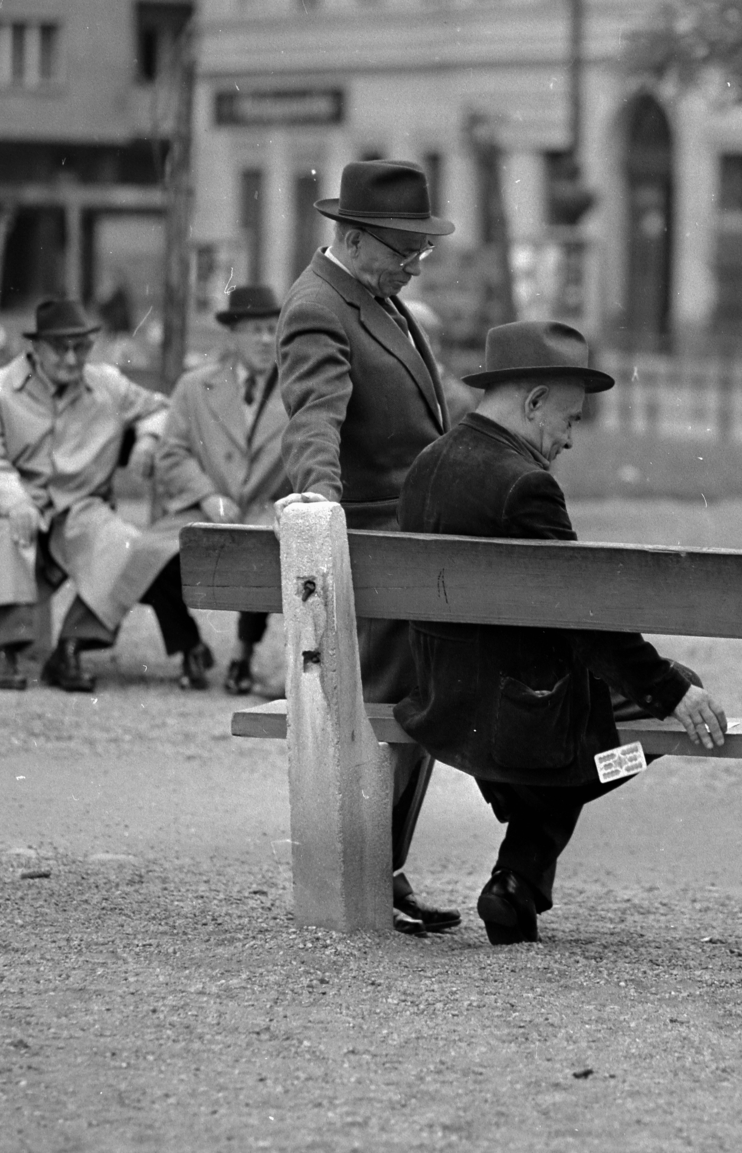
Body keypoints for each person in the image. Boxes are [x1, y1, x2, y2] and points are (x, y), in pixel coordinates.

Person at [396, 320, 731, 945]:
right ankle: (519, 870)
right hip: (520, 720)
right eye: (570, 420)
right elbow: (584, 618)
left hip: (442, 702)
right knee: (659, 716)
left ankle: (522, 867)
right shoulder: (524, 484)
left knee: (609, 719)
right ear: (531, 403)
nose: (570, 440)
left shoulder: (428, 463)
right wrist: (672, 692)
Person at [276, 158, 459, 936]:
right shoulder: (320, 307)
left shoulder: (376, 296)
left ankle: (380, 867)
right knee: (390, 711)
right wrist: (320, 502)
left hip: (413, 540)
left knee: (414, 709)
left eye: (422, 248)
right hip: (375, 546)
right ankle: (365, 871)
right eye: (401, 248)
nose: (415, 263)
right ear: (351, 238)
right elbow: (316, 410)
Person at [0, 297, 206, 693]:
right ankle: (3, 652)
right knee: (11, 533)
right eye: (61, 348)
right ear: (34, 349)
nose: (72, 360)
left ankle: (69, 652)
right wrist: (15, 500)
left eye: (81, 347)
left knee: (121, 542)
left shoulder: (106, 384)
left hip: (77, 507)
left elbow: (160, 409)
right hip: (5, 505)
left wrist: (146, 439)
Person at [151, 284, 289, 695]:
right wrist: (207, 496)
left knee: (267, 544)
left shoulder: (299, 387)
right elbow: (170, 454)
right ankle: (189, 646)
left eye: (272, 329)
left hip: (269, 509)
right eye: (254, 330)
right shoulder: (194, 386)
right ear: (233, 334)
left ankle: (242, 655)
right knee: (148, 555)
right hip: (206, 508)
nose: (265, 340)